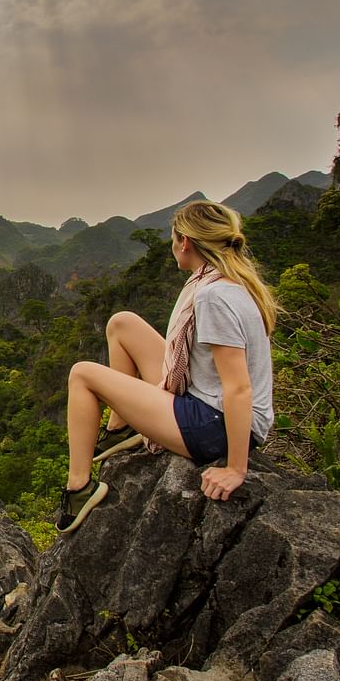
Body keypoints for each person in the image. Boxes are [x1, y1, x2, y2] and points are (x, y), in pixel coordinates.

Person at [55, 200, 277, 533]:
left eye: (173, 238)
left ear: (184, 241)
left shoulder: (212, 296)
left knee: (82, 374)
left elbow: (238, 387)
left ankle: (78, 487)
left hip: (216, 425)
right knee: (121, 323)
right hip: (209, 403)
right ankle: (122, 427)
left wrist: (236, 468)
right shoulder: (224, 282)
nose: (172, 246)